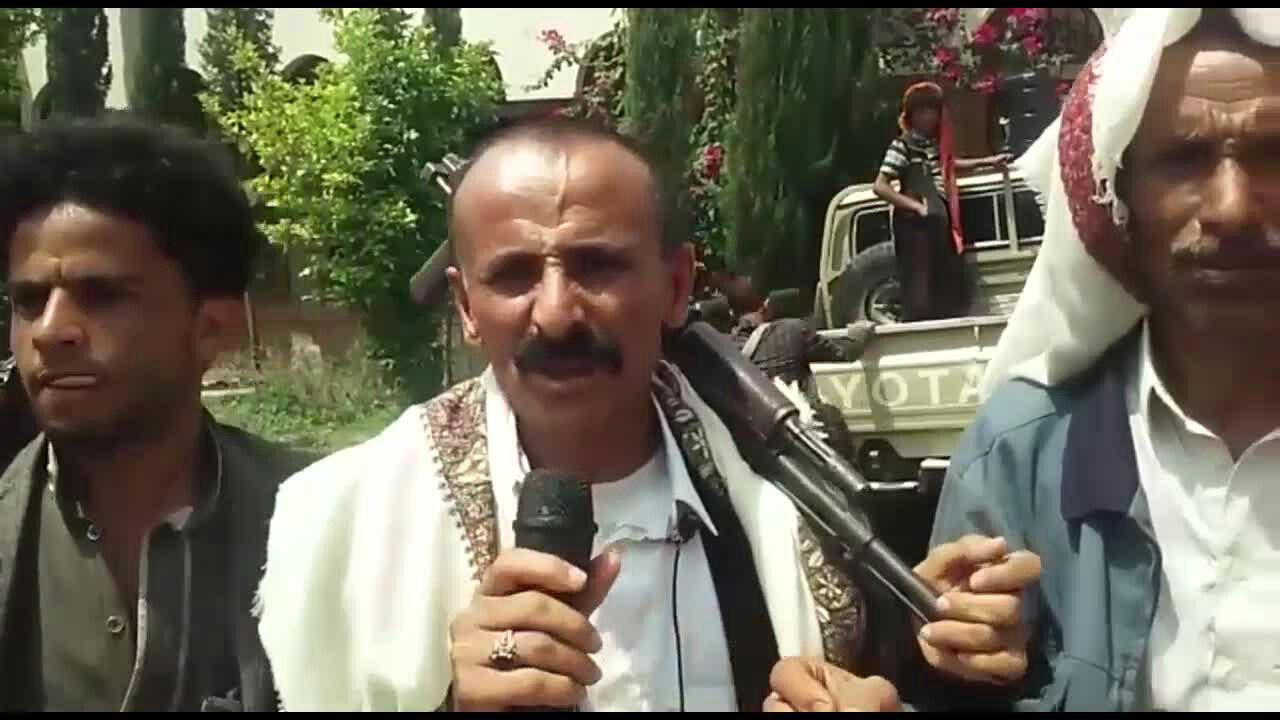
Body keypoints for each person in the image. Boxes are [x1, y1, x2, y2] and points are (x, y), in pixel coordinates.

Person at [253, 117, 1038, 711]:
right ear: (464, 306)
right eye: (515, 275)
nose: (555, 313)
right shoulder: (351, 526)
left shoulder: (785, 489)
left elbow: (882, 675)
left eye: (597, 266)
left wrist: (933, 655)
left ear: (675, 286)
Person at [797, 7, 1280, 712]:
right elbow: (954, 673)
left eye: (1274, 154)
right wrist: (948, 668)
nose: (1232, 207)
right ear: (1116, 200)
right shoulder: (1021, 454)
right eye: (1183, 159)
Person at [0, 115, 310, 711]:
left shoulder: (326, 520)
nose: (51, 331)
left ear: (210, 327)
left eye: (103, 295)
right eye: (29, 301)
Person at [873, 82, 1009, 321]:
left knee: (944, 285)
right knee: (920, 288)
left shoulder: (934, 144)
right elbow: (880, 186)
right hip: (915, 227)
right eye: (921, 112)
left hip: (938, 222)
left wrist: (987, 162)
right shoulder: (903, 146)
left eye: (932, 111)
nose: (928, 117)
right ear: (911, 116)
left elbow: (948, 165)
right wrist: (916, 207)